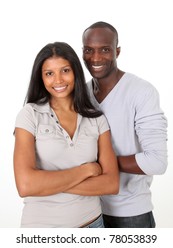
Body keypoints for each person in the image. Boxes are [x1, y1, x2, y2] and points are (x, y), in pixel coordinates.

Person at [13, 41, 119, 228]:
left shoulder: (97, 119)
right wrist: (85, 171)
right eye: (49, 74)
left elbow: (111, 184)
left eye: (65, 70)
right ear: (41, 78)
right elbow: (26, 186)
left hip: (93, 226)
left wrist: (46, 183)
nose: (58, 80)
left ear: (76, 72)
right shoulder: (30, 115)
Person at [82, 21, 168, 228]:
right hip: (89, 213)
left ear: (117, 51)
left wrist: (98, 165)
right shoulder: (82, 94)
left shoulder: (141, 91)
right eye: (88, 50)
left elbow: (157, 162)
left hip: (131, 214)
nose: (95, 58)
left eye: (105, 50)